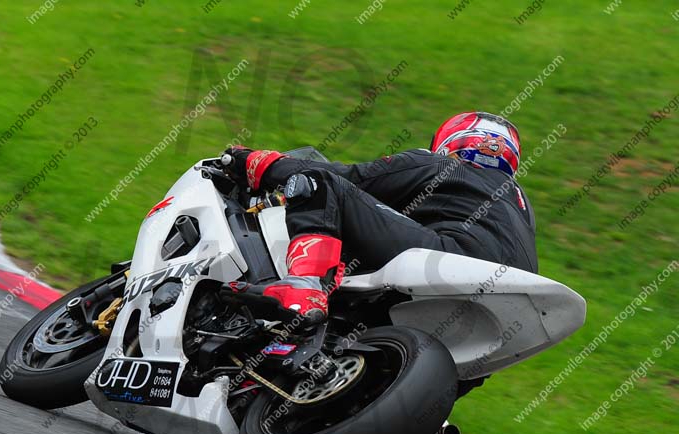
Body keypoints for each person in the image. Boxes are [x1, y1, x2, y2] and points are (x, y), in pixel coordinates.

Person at [223, 111, 537, 325]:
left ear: (449, 141)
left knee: (322, 184)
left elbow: (349, 180)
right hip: (511, 302)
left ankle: (306, 287)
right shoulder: (521, 204)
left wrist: (257, 162)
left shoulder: (436, 165)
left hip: (452, 256)